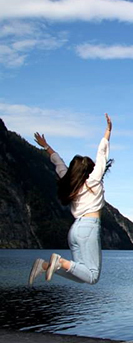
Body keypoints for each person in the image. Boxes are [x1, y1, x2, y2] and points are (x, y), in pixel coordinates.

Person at [28, 114, 112, 285]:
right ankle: (59, 262)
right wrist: (108, 132)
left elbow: (58, 162)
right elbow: (102, 154)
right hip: (89, 228)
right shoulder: (93, 180)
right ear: (90, 170)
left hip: (75, 230)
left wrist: (46, 147)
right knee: (92, 276)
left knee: (81, 275)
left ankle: (44, 265)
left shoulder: (69, 182)